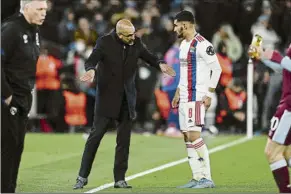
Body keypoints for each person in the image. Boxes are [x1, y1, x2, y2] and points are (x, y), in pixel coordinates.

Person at [73, 19, 176, 189]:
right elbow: (92, 60)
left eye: (134, 34)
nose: (133, 37)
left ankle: (120, 179)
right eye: (129, 35)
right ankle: (82, 177)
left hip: (127, 100)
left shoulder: (135, 42)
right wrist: (91, 70)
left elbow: (149, 57)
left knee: (124, 141)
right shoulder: (104, 42)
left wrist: (160, 64)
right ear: (119, 34)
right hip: (107, 98)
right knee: (95, 137)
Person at [171, 10, 222, 189]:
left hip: (196, 96)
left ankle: (207, 178)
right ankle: (196, 176)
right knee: (186, 136)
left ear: (185, 25)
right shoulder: (183, 45)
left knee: (194, 135)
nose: (174, 28)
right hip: (184, 96)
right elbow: (184, 73)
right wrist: (178, 92)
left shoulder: (202, 44)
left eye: (176, 25)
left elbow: (216, 69)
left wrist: (209, 94)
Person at [1, 0, 48, 192]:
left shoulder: (34, 31)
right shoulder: (11, 29)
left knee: (17, 148)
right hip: (8, 99)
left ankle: (9, 189)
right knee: (7, 150)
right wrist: (6, 95)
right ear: (26, 8)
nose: (44, 13)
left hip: (24, 98)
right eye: (39, 9)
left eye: (45, 9)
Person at [249, 44, 291, 193]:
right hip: (287, 104)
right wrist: (263, 57)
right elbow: (285, 69)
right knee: (286, 153)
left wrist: (272, 55)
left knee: (272, 152)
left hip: (289, 108)